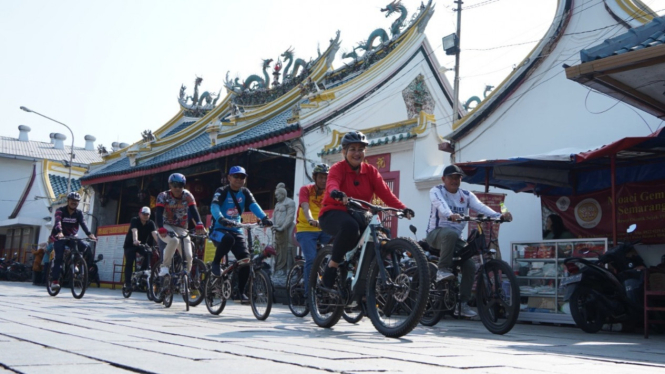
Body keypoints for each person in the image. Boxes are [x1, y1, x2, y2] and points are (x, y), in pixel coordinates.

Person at [318, 131, 414, 289]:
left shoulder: (371, 172)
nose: (357, 153)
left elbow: (386, 194)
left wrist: (403, 208)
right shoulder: (338, 168)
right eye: (352, 149)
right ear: (344, 151)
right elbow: (332, 183)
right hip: (333, 212)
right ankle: (332, 266)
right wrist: (336, 193)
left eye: (360, 149)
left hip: (358, 213)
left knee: (382, 234)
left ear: (365, 152)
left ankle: (364, 277)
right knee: (350, 227)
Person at [426, 164, 513, 318]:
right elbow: (440, 204)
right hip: (436, 234)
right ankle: (442, 270)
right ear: (443, 179)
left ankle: (463, 303)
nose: (454, 180)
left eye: (458, 177)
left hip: (454, 238)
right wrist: (450, 214)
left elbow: (480, 206)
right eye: (451, 177)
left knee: (470, 264)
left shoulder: (466, 195)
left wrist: (498, 216)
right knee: (451, 234)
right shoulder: (437, 191)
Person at [209, 166, 273, 302]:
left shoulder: (245, 192)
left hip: (236, 229)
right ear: (229, 178)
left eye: (242, 177)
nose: (239, 179)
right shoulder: (222, 191)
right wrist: (221, 219)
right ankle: (215, 263)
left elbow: (254, 205)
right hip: (219, 229)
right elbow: (214, 206)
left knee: (245, 260)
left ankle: (240, 292)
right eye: (236, 176)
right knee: (228, 239)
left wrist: (264, 218)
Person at [155, 173, 206, 278]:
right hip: (166, 226)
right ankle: (165, 267)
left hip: (182, 228)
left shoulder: (187, 195)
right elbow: (158, 213)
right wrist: (160, 227)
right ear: (170, 185)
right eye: (175, 185)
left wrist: (199, 223)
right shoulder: (163, 196)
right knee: (174, 240)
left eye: (181, 185)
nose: (178, 188)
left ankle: (185, 277)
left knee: (188, 255)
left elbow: (194, 210)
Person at [295, 163, 332, 297]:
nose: (323, 180)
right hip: (305, 229)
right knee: (311, 259)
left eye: (326, 178)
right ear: (315, 177)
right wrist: (310, 219)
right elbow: (305, 207)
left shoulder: (329, 192)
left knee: (339, 251)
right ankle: (309, 294)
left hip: (323, 228)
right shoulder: (306, 189)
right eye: (321, 177)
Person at [49, 192, 97, 290]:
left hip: (72, 237)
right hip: (59, 236)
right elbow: (58, 222)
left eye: (76, 201)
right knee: (58, 257)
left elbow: (83, 224)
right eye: (72, 201)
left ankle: (76, 263)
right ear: (68, 201)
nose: (74, 203)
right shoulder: (60, 210)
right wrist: (59, 232)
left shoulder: (78, 213)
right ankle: (55, 281)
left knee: (85, 247)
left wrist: (90, 234)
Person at [122, 206, 159, 291]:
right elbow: (135, 231)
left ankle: (142, 273)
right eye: (144, 214)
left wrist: (160, 243)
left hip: (141, 245)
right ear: (139, 214)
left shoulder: (151, 223)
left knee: (149, 253)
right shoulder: (135, 220)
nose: (145, 216)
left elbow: (154, 234)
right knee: (130, 262)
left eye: (147, 214)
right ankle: (128, 284)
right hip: (130, 245)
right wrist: (135, 240)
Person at [272, 183, 296, 277]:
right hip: (278, 231)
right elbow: (274, 216)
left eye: (277, 195)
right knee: (278, 250)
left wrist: (282, 227)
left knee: (288, 250)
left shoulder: (290, 202)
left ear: (282, 194)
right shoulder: (277, 204)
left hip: (287, 230)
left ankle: (289, 270)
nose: (276, 197)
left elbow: (290, 217)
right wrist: (274, 225)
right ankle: (279, 269)